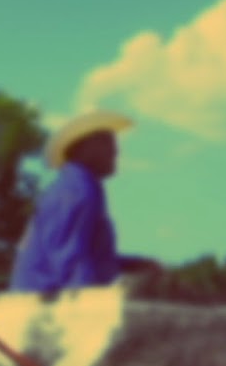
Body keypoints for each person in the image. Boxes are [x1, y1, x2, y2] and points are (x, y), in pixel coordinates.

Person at [10, 108, 158, 293]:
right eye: (108, 142)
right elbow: (68, 261)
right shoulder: (76, 189)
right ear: (85, 147)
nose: (116, 151)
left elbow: (88, 255)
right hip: (41, 305)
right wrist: (89, 307)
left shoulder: (77, 185)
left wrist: (134, 265)